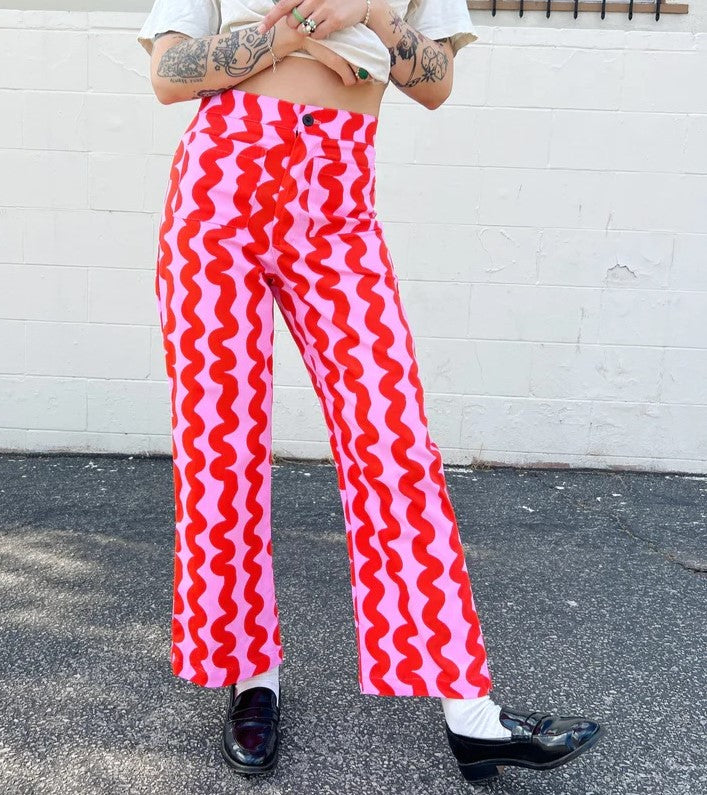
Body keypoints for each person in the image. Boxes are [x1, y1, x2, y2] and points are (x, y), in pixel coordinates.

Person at [137, 0, 604, 783]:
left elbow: (437, 82)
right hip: (220, 191)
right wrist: (296, 33)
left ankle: (471, 712)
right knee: (222, 446)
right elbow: (168, 75)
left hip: (337, 197)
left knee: (393, 445)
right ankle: (252, 675)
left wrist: (376, 18)